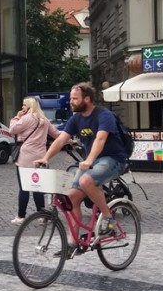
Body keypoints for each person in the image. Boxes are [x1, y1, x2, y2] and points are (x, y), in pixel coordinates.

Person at [34, 83, 128, 257]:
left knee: (86, 181)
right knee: (71, 198)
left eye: (75, 99)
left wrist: (90, 160)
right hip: (93, 161)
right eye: (71, 98)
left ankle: (109, 219)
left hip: (114, 159)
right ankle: (73, 243)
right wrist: (45, 158)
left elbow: (100, 139)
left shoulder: (104, 115)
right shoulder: (76, 119)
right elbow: (61, 140)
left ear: (87, 99)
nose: (71, 102)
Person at [9, 97, 62, 225]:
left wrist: (16, 117)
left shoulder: (27, 118)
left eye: (24, 105)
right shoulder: (44, 120)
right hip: (40, 157)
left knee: (24, 188)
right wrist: (70, 139)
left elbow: (12, 130)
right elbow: (57, 134)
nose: (22, 108)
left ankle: (21, 216)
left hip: (25, 158)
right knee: (38, 187)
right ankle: (42, 215)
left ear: (29, 106)